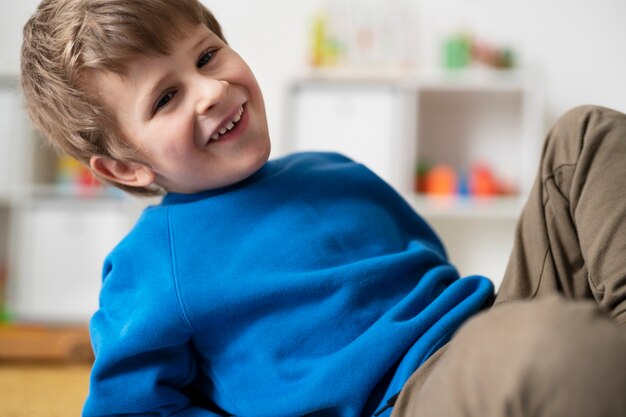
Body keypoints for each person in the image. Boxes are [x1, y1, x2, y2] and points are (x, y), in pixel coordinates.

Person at [19, 1, 626, 416]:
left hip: (486, 334)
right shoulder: (154, 263)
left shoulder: (333, 170)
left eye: (206, 56)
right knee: (555, 348)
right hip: (406, 401)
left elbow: (429, 268)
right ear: (126, 167)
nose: (211, 91)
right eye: (167, 97)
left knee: (585, 135)